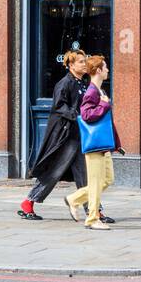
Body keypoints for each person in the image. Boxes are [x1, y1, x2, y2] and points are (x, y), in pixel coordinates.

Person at [19, 50, 89, 220]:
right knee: (54, 172)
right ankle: (28, 203)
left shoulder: (82, 83)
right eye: (80, 62)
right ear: (71, 65)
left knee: (85, 175)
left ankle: (94, 210)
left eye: (85, 61)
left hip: (79, 135)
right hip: (66, 137)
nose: (84, 64)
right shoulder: (64, 83)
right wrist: (78, 116)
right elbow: (59, 107)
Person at [66, 55, 120, 230]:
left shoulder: (100, 91)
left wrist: (117, 144)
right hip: (95, 145)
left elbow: (107, 122)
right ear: (98, 70)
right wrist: (104, 106)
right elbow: (87, 115)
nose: (108, 70)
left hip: (104, 144)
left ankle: (74, 199)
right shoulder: (91, 92)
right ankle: (92, 219)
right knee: (96, 182)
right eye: (105, 67)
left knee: (107, 179)